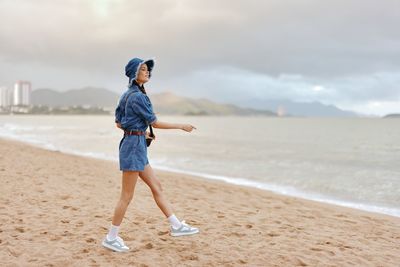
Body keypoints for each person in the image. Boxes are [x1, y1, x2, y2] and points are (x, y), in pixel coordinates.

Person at [102, 57, 199, 253]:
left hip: (133, 144)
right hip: (133, 148)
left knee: (156, 186)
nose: (147, 72)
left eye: (148, 70)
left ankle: (176, 226)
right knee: (126, 197)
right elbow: (154, 122)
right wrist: (181, 126)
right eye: (143, 69)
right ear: (134, 73)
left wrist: (139, 132)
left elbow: (120, 123)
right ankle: (111, 237)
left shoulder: (126, 95)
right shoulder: (138, 96)